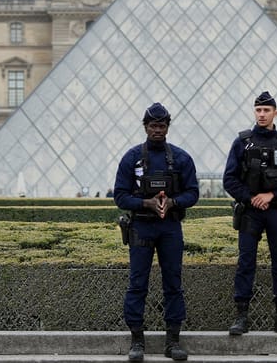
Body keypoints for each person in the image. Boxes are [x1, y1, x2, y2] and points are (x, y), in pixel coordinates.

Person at [113, 102, 200, 362]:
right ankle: (137, 340)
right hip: (141, 225)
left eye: (162, 126)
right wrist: (145, 203)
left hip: (170, 226)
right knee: (137, 284)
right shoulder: (131, 158)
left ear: (167, 127)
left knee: (173, 283)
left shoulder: (182, 158)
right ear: (145, 127)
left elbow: (193, 193)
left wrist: (173, 202)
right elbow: (120, 196)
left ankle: (173, 340)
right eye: (153, 126)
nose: (157, 130)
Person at [223, 91, 277, 336]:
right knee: (245, 263)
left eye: (266, 110)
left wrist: (271, 196)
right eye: (258, 110)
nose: (261, 114)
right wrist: (251, 198)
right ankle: (241, 317)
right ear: (254, 111)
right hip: (250, 212)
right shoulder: (241, 143)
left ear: (275, 113)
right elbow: (229, 180)